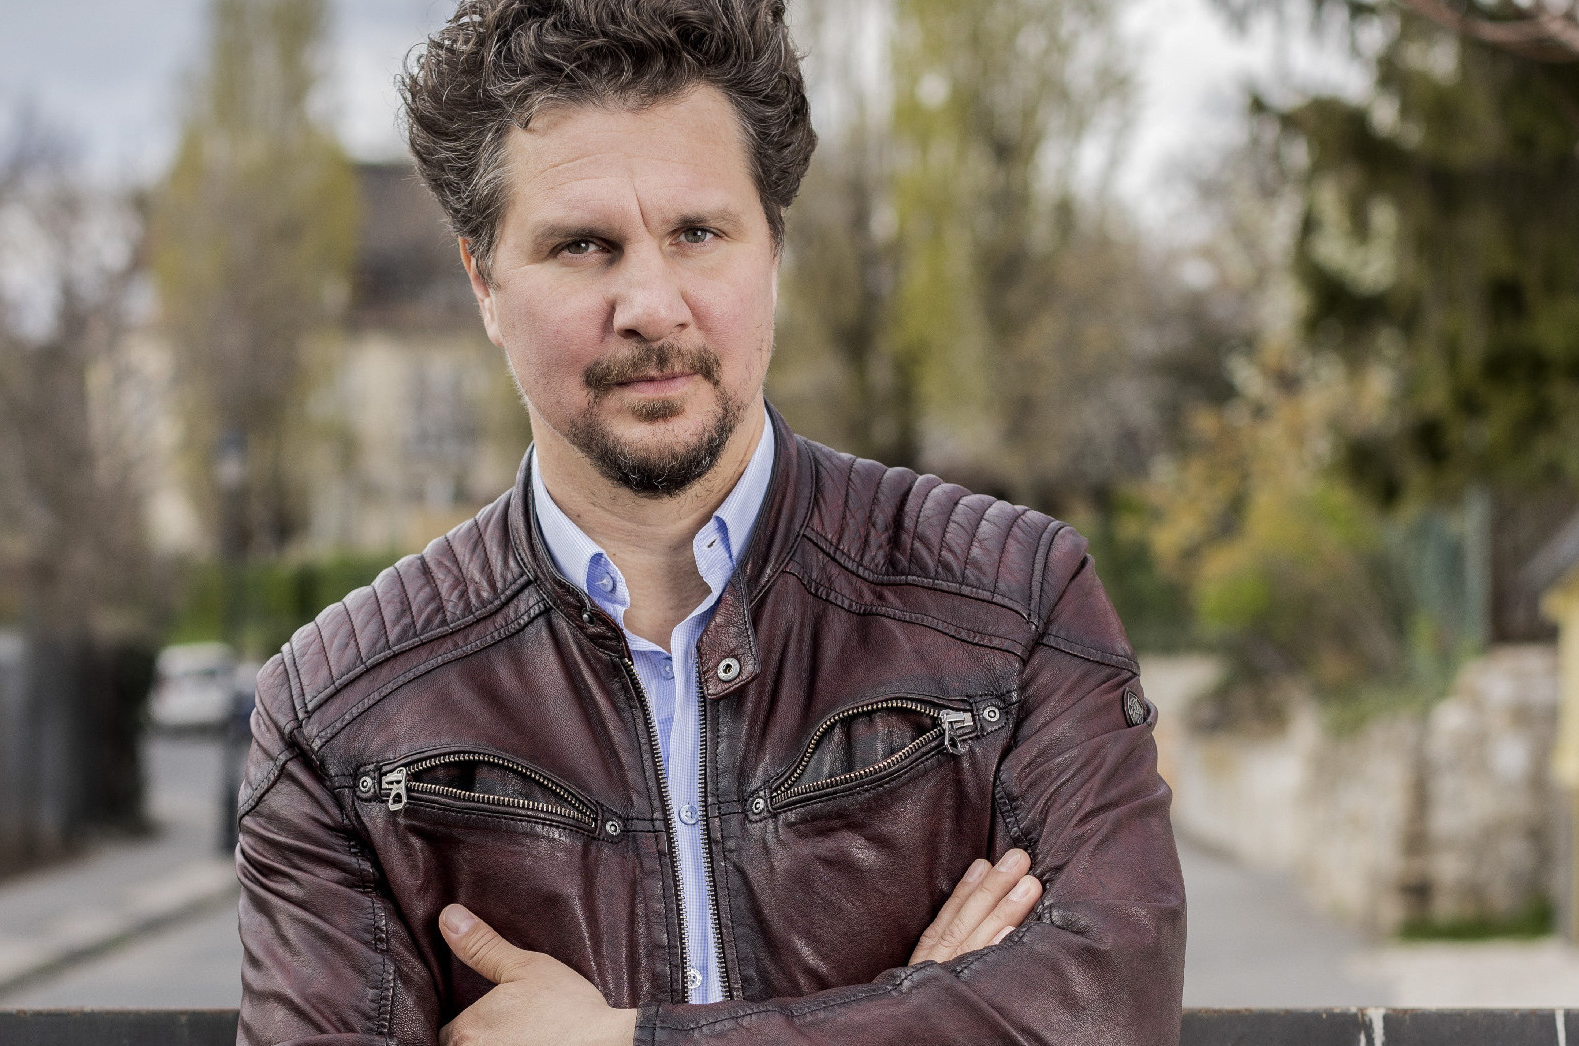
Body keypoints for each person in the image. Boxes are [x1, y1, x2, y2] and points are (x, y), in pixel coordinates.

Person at [233, 1, 1185, 1042]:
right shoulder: (338, 717)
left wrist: (627, 1039)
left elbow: (1112, 1008)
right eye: (582, 245)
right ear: (485, 284)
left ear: (772, 248)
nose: (650, 305)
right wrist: (918, 1015)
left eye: (696, 233)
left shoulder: (1014, 603)